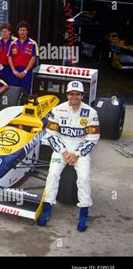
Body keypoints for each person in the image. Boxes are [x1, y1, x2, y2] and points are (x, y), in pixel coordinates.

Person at [38, 81, 100, 232]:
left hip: (81, 150)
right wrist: (64, 152)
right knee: (52, 174)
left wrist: (77, 154)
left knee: (84, 178)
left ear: (82, 96)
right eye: (71, 94)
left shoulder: (91, 113)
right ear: (67, 95)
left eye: (77, 94)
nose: (74, 97)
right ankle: (47, 209)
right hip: (61, 149)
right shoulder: (58, 110)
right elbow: (51, 135)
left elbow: (93, 137)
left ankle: (84, 212)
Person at [7, 21, 38, 94]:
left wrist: (25, 71)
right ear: (18, 31)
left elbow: (34, 57)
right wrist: (14, 71)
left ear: (27, 31)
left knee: (26, 91)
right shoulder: (13, 43)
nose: (22, 32)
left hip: (26, 71)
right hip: (15, 71)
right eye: (20, 30)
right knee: (14, 92)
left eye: (24, 30)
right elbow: (9, 57)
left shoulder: (33, 43)